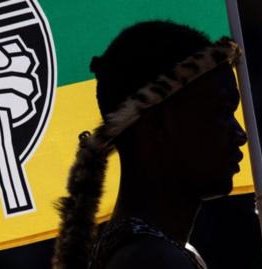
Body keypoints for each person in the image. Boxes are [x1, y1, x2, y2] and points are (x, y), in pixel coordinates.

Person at [52, 21, 247, 269]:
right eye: (220, 112)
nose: (240, 134)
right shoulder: (152, 260)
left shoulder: (158, 252)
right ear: (157, 126)